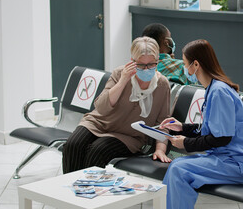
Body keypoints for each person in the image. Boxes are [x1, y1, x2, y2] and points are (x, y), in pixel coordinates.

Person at [156, 39, 243, 209]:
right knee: (178, 167)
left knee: (179, 170)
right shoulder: (213, 89)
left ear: (196, 64)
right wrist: (183, 127)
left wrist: (185, 143)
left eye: (185, 64)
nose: (185, 69)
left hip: (239, 163)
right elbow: (211, 130)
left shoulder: (219, 91)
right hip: (226, 158)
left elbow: (222, 138)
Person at [62, 36, 171, 173]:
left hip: (129, 136)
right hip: (98, 122)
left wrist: (160, 150)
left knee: (97, 151)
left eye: (151, 65)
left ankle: (90, 192)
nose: (146, 69)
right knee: (72, 146)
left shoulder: (162, 85)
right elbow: (101, 107)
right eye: (141, 65)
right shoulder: (120, 73)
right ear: (132, 61)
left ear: (157, 62)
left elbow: (163, 123)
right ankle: (70, 190)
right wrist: (123, 81)